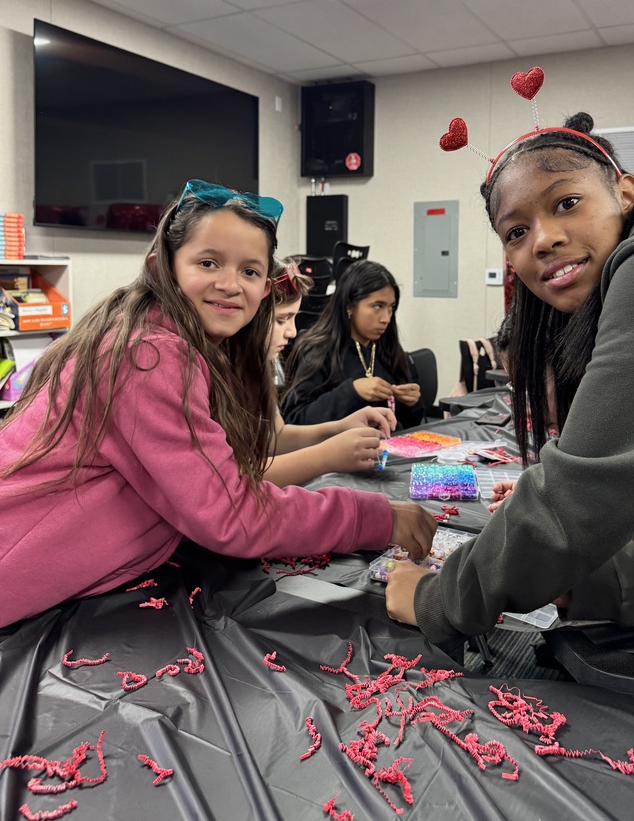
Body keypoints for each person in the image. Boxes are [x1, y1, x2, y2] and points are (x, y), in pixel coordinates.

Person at [386, 110, 634, 642]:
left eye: (567, 203)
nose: (543, 240)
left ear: (626, 192)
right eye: (516, 231)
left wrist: (439, 598)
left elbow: (575, 500)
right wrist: (586, 586)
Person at [0, 179, 436, 629]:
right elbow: (232, 513)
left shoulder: (196, 346)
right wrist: (371, 516)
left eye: (249, 271)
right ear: (162, 268)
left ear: (265, 286)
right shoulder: (148, 355)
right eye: (208, 262)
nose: (230, 284)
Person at [265, 257, 397, 487]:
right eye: (281, 319)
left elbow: (276, 438)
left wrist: (341, 427)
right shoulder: (317, 352)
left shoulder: (261, 368)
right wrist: (327, 455)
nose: (293, 332)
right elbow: (235, 475)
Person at [282, 259, 424, 430]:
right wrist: (352, 392)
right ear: (349, 306)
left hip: (387, 452)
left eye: (390, 308)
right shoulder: (319, 351)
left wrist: (412, 403)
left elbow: (408, 426)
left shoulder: (387, 348)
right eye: (377, 306)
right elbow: (295, 420)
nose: (386, 318)